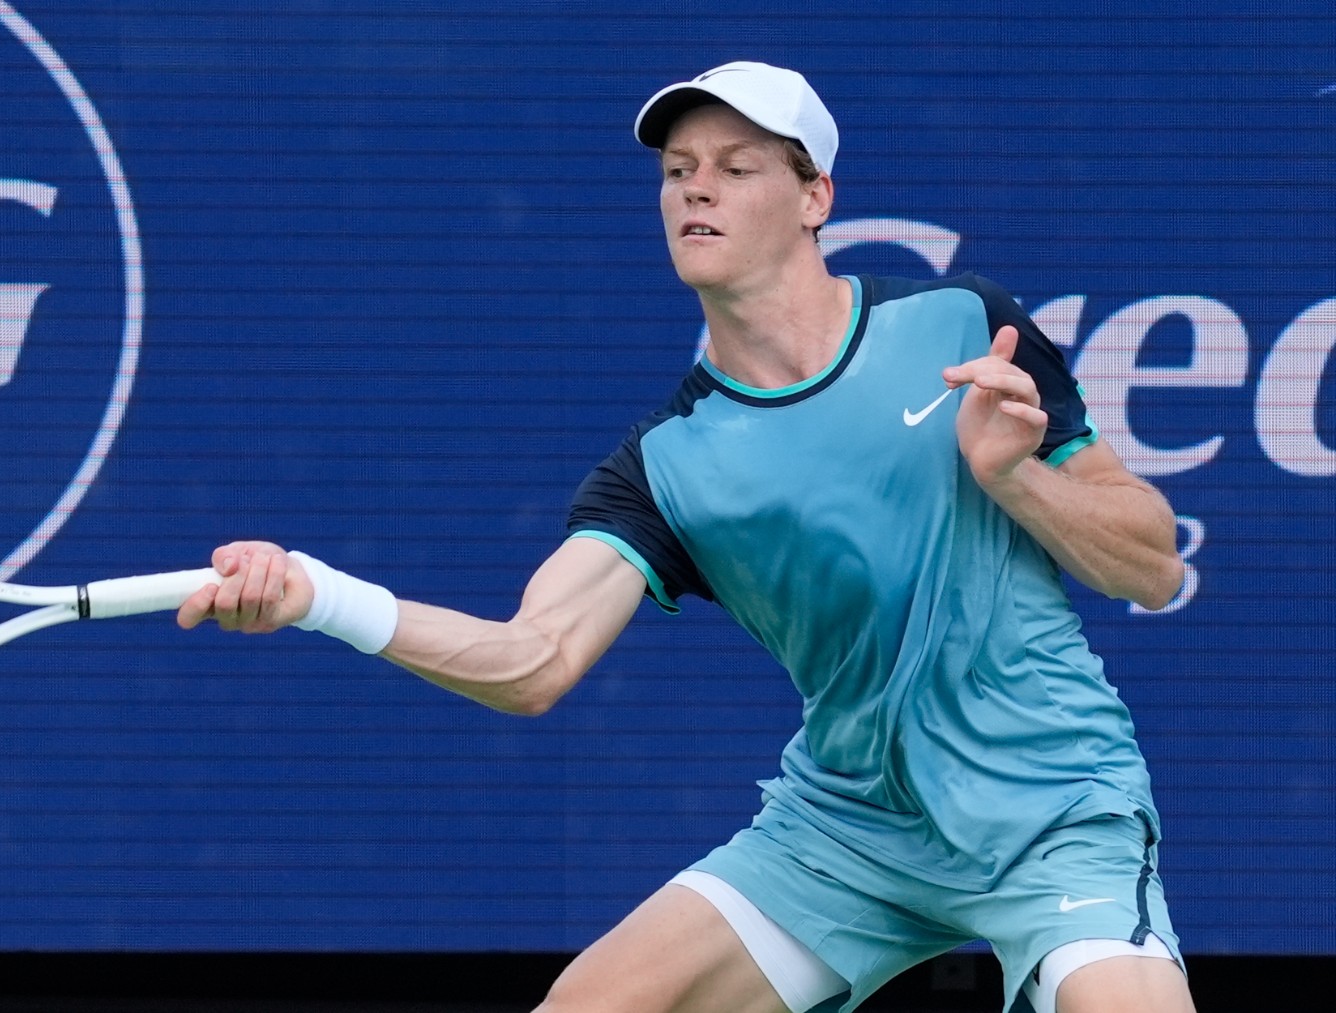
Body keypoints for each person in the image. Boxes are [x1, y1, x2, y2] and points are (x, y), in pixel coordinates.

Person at [177, 61, 1197, 1013]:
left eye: (735, 167)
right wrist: (318, 595)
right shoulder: (668, 463)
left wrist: (1014, 477)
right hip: (846, 829)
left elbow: (1152, 565)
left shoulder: (962, 327)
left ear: (814, 199)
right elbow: (532, 660)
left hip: (1050, 806)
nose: (694, 190)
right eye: (678, 171)